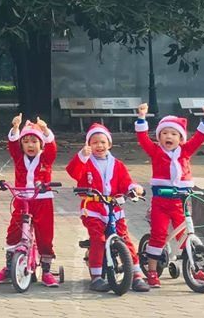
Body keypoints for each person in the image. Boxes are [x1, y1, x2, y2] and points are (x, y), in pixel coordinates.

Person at [135, 102, 204, 288]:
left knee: (186, 233)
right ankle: (152, 271)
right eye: (164, 133)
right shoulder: (156, 151)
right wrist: (141, 117)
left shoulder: (185, 151)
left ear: (180, 138)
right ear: (159, 137)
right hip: (161, 200)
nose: (169, 136)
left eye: (173, 134)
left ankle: (195, 267)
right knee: (159, 234)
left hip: (182, 199)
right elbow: (143, 139)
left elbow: (199, 138)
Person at [66, 123, 149, 292]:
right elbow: (73, 172)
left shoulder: (117, 164)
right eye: (94, 142)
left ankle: (136, 274)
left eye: (103, 142)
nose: (99, 146)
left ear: (109, 144)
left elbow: (126, 182)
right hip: (93, 208)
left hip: (114, 208)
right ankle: (97, 276)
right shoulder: (86, 162)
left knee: (125, 238)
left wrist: (134, 188)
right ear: (89, 145)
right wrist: (81, 156)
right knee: (98, 239)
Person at [0, 113, 59, 286]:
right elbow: (12, 145)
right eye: (26, 141)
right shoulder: (18, 157)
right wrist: (15, 128)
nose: (30, 145)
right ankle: (10, 267)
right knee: (14, 231)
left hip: (42, 200)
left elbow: (52, 148)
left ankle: (46, 270)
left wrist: (45, 130)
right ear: (21, 144)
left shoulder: (45, 158)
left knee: (45, 235)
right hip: (22, 199)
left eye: (34, 141)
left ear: (41, 144)